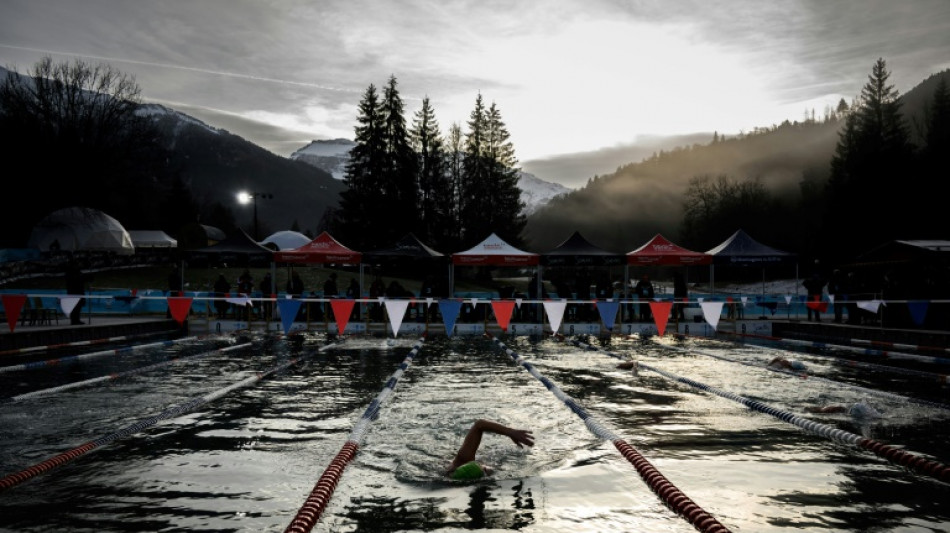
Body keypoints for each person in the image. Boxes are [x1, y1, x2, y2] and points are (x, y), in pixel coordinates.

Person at [447, 419, 534, 481]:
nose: (486, 468)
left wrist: (510, 432)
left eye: (481, 467)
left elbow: (479, 424)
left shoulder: (464, 459)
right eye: (484, 470)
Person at [64, 259, 87, 325]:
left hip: (79, 292)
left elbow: (82, 278)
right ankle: (74, 320)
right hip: (73, 292)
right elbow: (74, 280)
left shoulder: (78, 272)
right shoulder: (69, 273)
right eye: (77, 264)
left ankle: (77, 319)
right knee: (74, 308)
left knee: (78, 307)